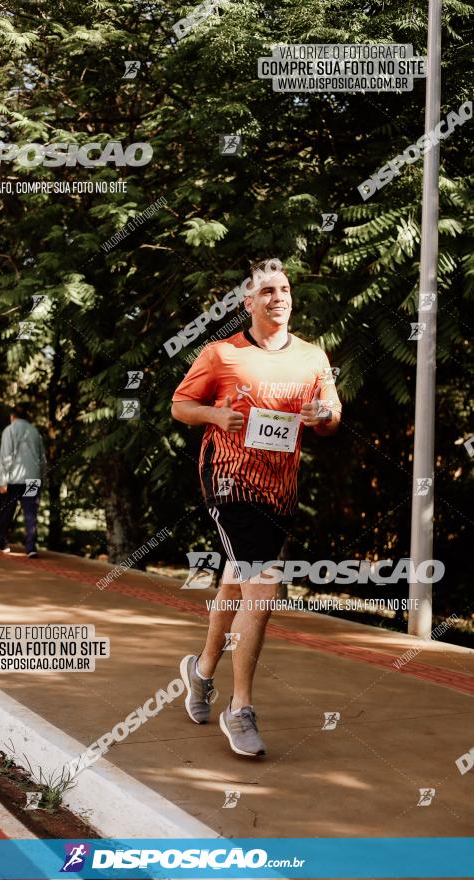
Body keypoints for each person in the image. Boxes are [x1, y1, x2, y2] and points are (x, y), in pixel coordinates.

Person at [171, 258, 342, 758]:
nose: (278, 297)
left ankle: (201, 672)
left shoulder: (313, 357)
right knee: (263, 588)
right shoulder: (221, 354)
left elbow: (332, 415)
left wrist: (322, 414)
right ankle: (239, 707)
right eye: (267, 290)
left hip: (278, 488)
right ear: (248, 303)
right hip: (226, 480)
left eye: (284, 289)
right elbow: (180, 405)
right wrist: (214, 414)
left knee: (237, 580)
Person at [0, 403, 47, 558]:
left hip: (15, 479)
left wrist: (3, 481)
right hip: (33, 477)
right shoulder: (35, 432)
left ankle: (0, 541)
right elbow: (42, 459)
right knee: (31, 513)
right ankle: (31, 547)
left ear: (12, 416)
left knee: (7, 510)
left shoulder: (9, 430)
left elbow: (6, 457)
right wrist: (43, 478)